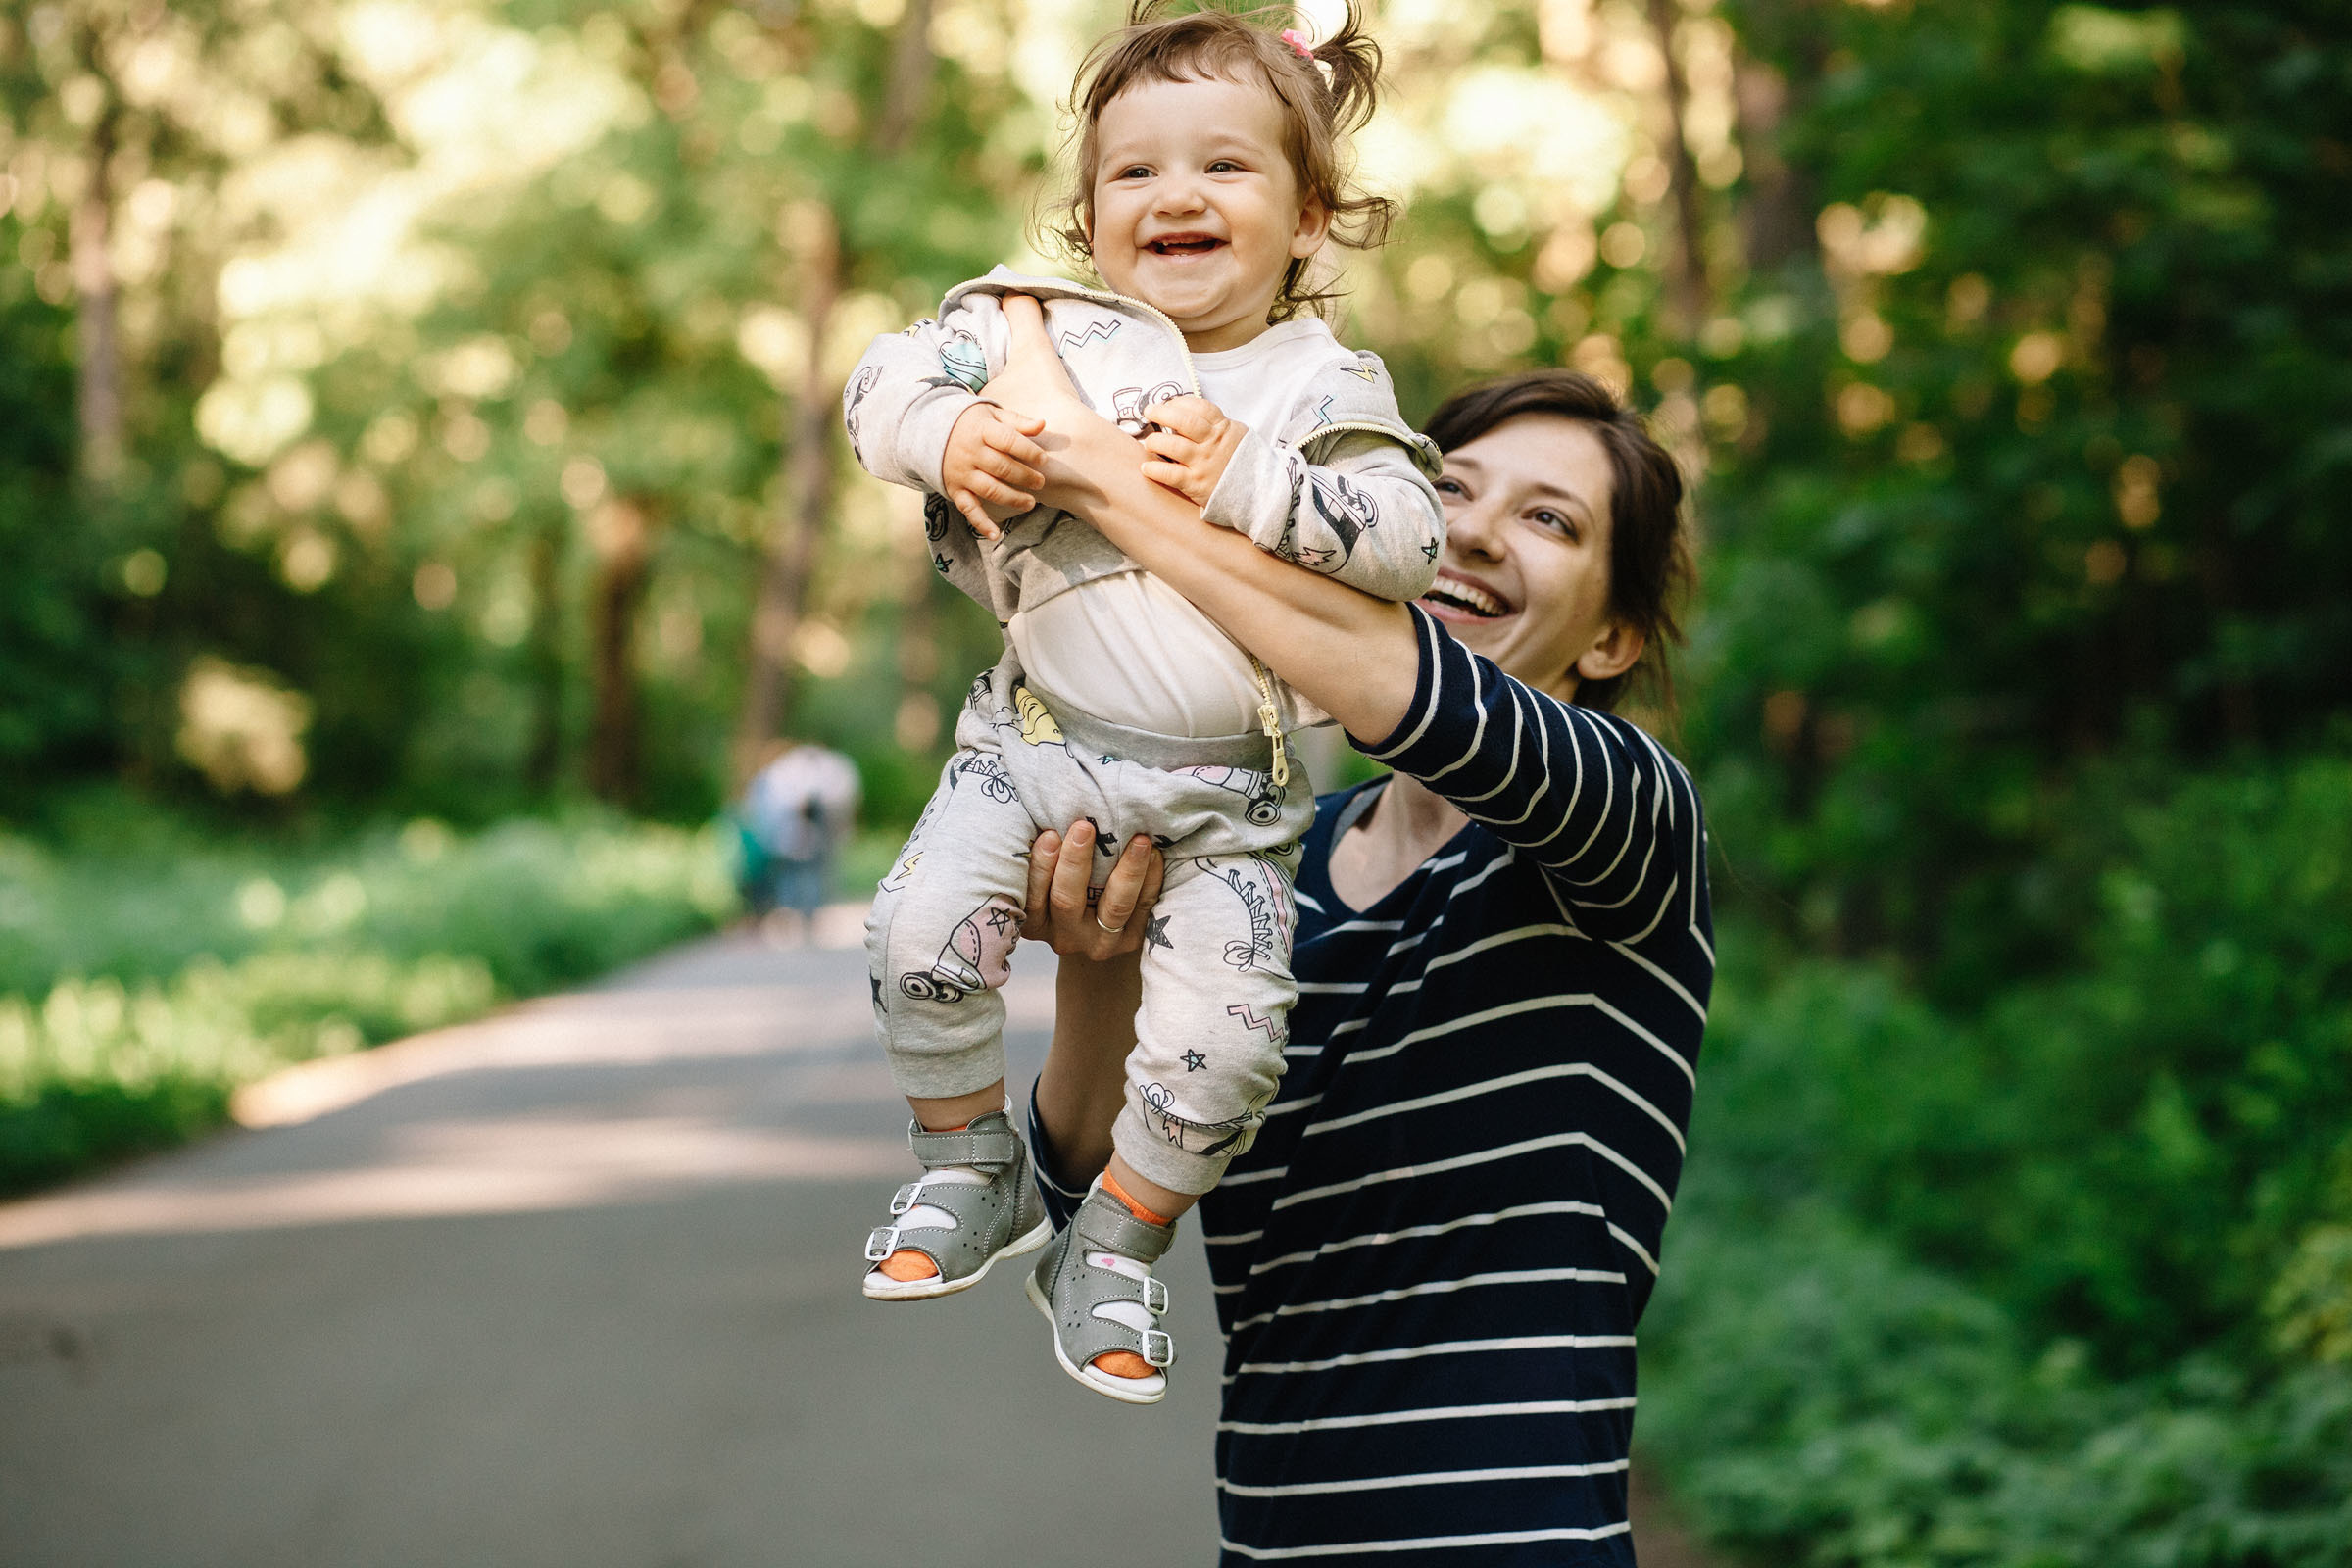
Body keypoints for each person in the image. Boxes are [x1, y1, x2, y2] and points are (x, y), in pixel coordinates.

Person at [989, 291, 1712, 1562]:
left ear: (1613, 634)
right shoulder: (1270, 865)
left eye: (1548, 520)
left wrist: (1107, 480)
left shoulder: (1631, 819)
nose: (1475, 533)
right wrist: (1097, 978)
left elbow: (1411, 699)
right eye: (1451, 491)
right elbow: (1093, 1208)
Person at [841, 3, 1446, 1405]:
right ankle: (968, 1163)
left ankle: (1118, 1232)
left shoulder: (1324, 387)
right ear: (1089, 212)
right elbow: (874, 385)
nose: (1176, 194)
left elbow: (1409, 541)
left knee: (1232, 1042)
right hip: (1033, 754)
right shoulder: (1025, 329)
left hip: (1230, 803)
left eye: (1224, 168)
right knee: (917, 930)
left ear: (1308, 219)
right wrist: (950, 432)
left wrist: (1250, 479)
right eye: (1136, 172)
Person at [736, 740, 860, 942]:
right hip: (797, 842)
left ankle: (802, 919)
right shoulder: (815, 779)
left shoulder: (782, 778)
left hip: (801, 842)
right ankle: (799, 919)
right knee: (801, 878)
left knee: (801, 879)